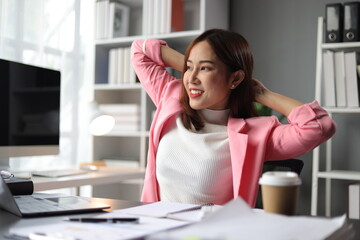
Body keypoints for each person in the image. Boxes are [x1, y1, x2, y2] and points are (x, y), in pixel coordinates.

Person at [130, 29, 336, 207]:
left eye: (205, 68)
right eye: (189, 67)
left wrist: (260, 94)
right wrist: (193, 64)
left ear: (235, 78)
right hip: (154, 228)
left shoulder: (252, 135)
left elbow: (318, 126)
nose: (191, 79)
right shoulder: (171, 97)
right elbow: (140, 50)